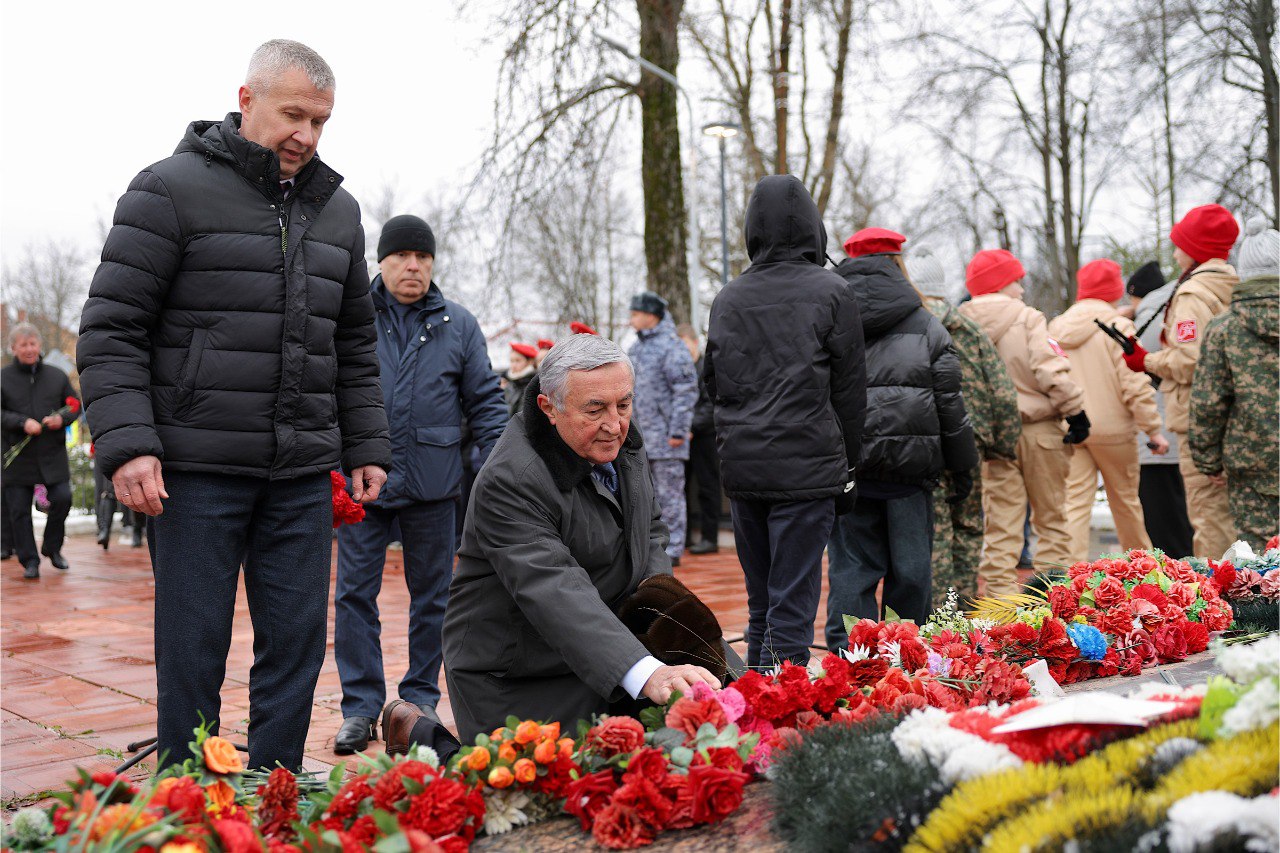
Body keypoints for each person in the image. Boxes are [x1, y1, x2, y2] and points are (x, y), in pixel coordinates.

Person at [77, 40, 391, 771]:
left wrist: (368, 444)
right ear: (246, 100)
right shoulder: (167, 190)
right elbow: (112, 327)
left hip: (302, 471)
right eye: (293, 115)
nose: (306, 137)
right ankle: (190, 792)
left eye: (321, 121)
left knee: (297, 641)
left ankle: (274, 788)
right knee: (193, 643)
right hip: (194, 468)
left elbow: (352, 342)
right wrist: (129, 443)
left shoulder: (339, 212)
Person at [393, 333, 720, 748]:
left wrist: (664, 623)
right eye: (595, 409)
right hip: (522, 670)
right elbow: (554, 588)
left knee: (721, 701)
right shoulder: (511, 479)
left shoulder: (617, 439)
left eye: (624, 403)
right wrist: (646, 670)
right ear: (548, 407)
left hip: (607, 644)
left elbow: (650, 532)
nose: (616, 424)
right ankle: (423, 736)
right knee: (542, 789)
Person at [333, 215, 507, 755]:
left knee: (433, 599)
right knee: (353, 596)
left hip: (435, 487)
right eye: (403, 255)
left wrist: (499, 472)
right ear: (380, 262)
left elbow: (486, 404)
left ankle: (421, 698)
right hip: (366, 484)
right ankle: (360, 708)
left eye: (424, 257)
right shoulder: (351, 319)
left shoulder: (459, 324)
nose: (414, 266)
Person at [705, 175, 866, 668]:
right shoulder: (833, 292)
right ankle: (783, 719)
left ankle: (756, 711)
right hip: (808, 467)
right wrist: (849, 469)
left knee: (762, 607)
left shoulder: (728, 298)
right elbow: (850, 393)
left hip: (746, 467)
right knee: (791, 608)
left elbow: (711, 382)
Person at [824, 229, 978, 639]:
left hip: (850, 471)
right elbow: (951, 405)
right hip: (912, 473)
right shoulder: (927, 324)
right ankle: (907, 664)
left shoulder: (828, 319)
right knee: (912, 575)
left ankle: (849, 663)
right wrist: (963, 468)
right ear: (899, 264)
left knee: (851, 573)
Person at [959, 250, 1089, 595]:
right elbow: (1050, 369)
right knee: (1051, 520)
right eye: (1016, 281)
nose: (1020, 289)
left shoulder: (961, 323)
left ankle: (1000, 604)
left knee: (1001, 523)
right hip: (1039, 431)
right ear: (1003, 282)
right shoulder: (1028, 318)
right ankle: (1051, 600)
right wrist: (1075, 411)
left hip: (994, 437)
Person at [1122, 204, 1239, 558]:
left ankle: (1223, 606)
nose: (1174, 253)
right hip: (1233, 417)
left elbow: (1190, 359)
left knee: (1208, 516)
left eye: (1180, 244)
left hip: (1197, 417)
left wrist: (1147, 361)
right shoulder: (1230, 286)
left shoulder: (1192, 294)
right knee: (1232, 517)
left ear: (1196, 248)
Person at [908, 249, 1020, 607]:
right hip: (971, 442)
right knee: (969, 527)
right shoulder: (969, 328)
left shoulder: (906, 325)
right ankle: (964, 609)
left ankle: (938, 614)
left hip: (921, 440)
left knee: (934, 529)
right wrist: (1003, 443)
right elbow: (1001, 389)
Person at [1049, 259, 1168, 560]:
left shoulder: (1057, 327)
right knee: (1126, 505)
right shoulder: (1120, 328)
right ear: (1114, 291)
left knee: (1074, 506)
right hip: (1114, 433)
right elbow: (1134, 384)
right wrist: (1153, 429)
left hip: (1072, 429)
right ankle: (1144, 574)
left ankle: (1064, 580)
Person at [1190, 217, 1279, 552]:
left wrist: (1208, 460)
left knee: (1261, 565)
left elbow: (1208, 402)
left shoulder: (1224, 329)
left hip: (1251, 467)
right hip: (1251, 467)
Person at [1, 324, 80, 579]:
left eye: (32, 343)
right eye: (23, 345)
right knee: (19, 511)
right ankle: (30, 560)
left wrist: (62, 420)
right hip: (17, 455)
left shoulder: (57, 376)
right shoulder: (3, 378)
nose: (29, 349)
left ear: (39, 346)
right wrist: (21, 422)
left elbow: (75, 405)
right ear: (13, 348)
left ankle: (52, 547)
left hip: (51, 453)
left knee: (63, 498)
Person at [1129, 261, 1195, 557]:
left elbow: (1140, 371)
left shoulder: (1150, 312)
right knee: (1181, 511)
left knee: (1162, 519)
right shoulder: (1174, 303)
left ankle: (1179, 580)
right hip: (1178, 423)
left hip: (1158, 432)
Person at [628, 292, 698, 566]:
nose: (631, 319)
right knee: (644, 496)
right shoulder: (636, 348)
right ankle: (651, 548)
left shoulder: (673, 346)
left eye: (635, 313)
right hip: (640, 438)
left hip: (667, 439)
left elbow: (685, 390)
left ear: (650, 315)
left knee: (670, 495)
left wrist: (678, 431)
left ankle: (673, 549)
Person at [677, 323, 721, 555]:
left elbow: (711, 403)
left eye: (685, 345)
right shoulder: (680, 369)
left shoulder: (705, 367)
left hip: (703, 438)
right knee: (680, 488)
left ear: (694, 343)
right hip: (683, 438)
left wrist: (690, 426)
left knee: (707, 487)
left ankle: (709, 537)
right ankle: (683, 537)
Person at [503, 342, 538, 416]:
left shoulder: (534, 385)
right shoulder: (510, 384)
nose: (513, 365)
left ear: (530, 362)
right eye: (511, 361)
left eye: (518, 361)